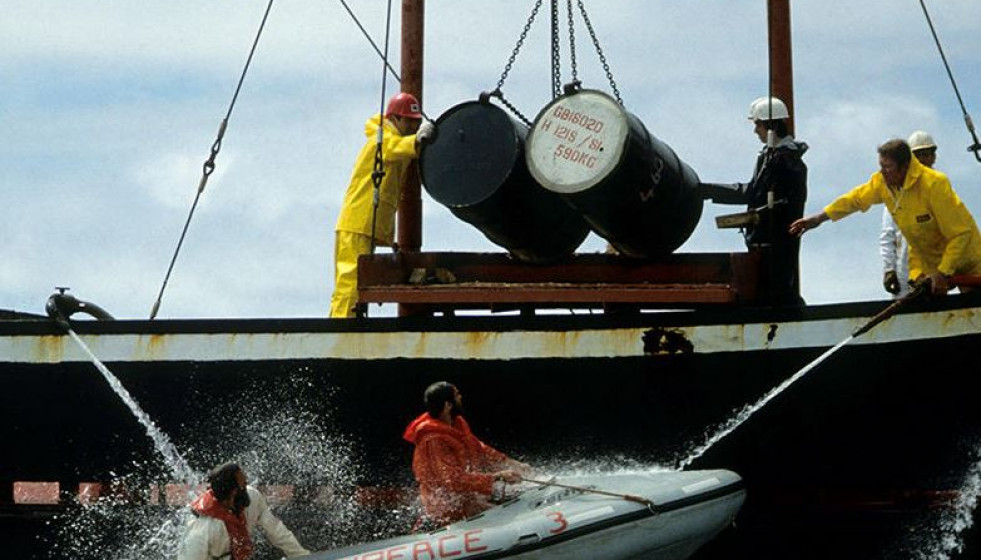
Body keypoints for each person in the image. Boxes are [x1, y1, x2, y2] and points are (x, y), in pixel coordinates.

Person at [790, 138, 981, 296]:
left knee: (971, 309)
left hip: (967, 261)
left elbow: (961, 234)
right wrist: (818, 218)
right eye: (881, 166)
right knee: (927, 312)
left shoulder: (934, 184)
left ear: (905, 167)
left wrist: (943, 272)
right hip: (930, 265)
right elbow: (854, 199)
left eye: (887, 167)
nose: (882, 172)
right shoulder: (883, 183)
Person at [330, 92, 434, 318]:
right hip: (357, 224)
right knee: (350, 282)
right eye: (409, 121)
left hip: (366, 224)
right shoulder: (382, 139)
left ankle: (350, 322)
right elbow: (394, 148)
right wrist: (417, 140)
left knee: (359, 282)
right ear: (394, 119)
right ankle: (342, 325)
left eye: (417, 123)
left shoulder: (396, 143)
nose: (413, 127)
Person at [700, 96, 809, 305]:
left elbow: (757, 194)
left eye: (757, 124)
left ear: (770, 126)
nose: (755, 130)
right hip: (766, 244)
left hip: (775, 246)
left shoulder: (786, 161)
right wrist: (711, 191)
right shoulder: (772, 157)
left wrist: (709, 191)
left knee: (775, 296)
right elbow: (755, 191)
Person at [402, 381, 531, 527]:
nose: (460, 397)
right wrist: (497, 477)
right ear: (447, 405)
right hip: (448, 507)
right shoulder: (433, 439)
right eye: (457, 394)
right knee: (507, 517)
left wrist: (511, 463)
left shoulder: (457, 423)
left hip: (468, 496)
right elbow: (452, 481)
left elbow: (479, 448)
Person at [177, 462, 310, 560]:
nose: (247, 489)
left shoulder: (253, 497)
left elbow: (277, 532)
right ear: (233, 493)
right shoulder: (202, 530)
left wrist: (303, 556)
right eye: (243, 486)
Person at [881, 131, 937, 298]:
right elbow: (888, 237)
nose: (923, 160)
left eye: (927, 154)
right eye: (918, 156)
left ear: (933, 157)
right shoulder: (896, 195)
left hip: (935, 274)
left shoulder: (939, 191)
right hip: (904, 275)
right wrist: (889, 270)